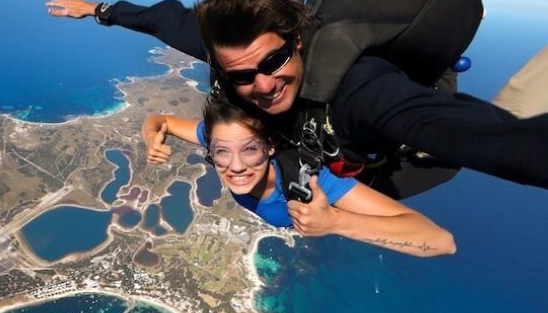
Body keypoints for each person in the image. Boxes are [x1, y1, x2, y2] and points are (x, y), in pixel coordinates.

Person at [47, 0, 548, 202]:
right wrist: (98, 10)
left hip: (406, 149)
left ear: (298, 41)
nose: (261, 83)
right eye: (242, 75)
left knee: (499, 121)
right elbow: (168, 20)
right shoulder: (235, 59)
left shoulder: (358, 92)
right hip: (339, 150)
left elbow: (493, 139)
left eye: (274, 62)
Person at [140, 96, 456, 257]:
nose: (235, 166)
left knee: (452, 151)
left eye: (250, 150)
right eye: (221, 152)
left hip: (389, 172)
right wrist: (150, 136)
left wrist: (336, 222)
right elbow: (159, 119)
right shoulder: (221, 138)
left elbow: (441, 242)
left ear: (272, 147)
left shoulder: (310, 181)